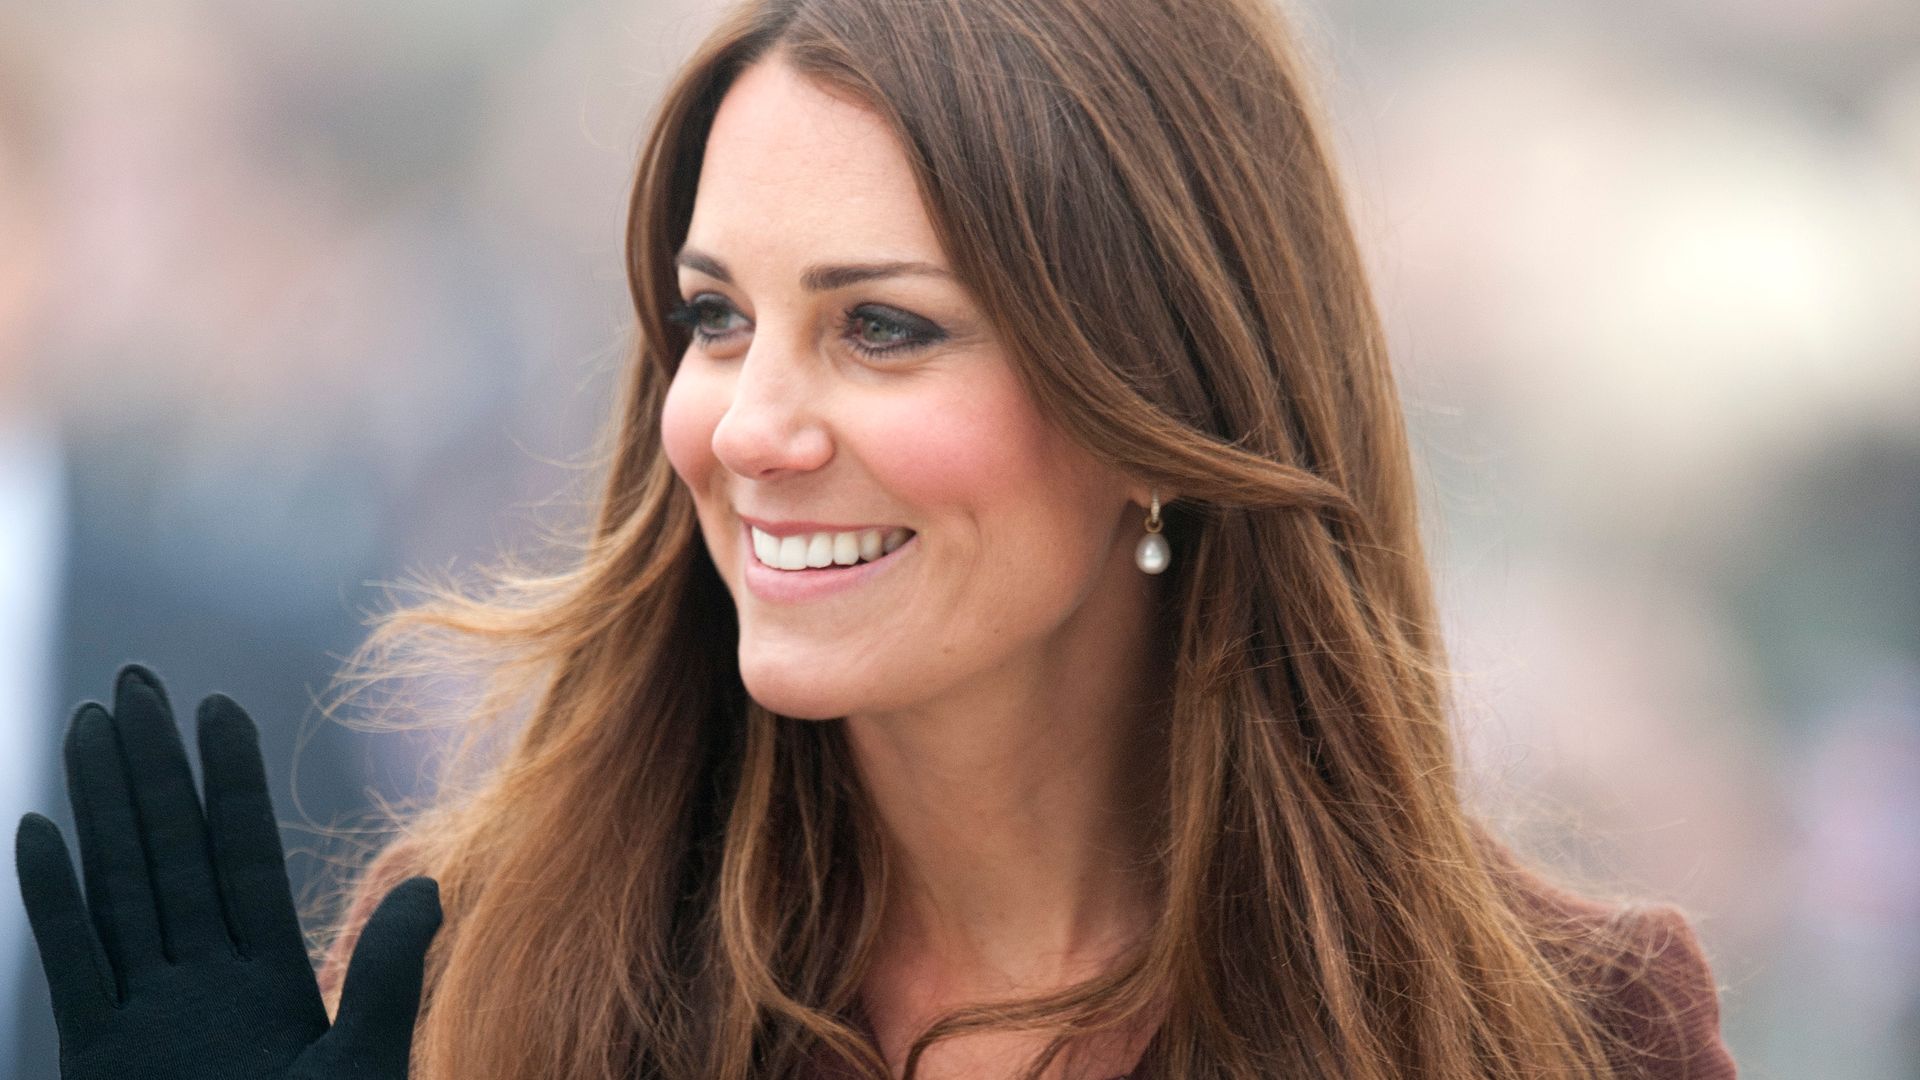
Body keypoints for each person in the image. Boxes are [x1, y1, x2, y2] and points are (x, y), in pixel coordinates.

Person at [13, 0, 1741, 1077]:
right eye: (714, 318)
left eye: (882, 327)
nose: (747, 426)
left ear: (1163, 391)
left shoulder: (1562, 1029)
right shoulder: (472, 985)